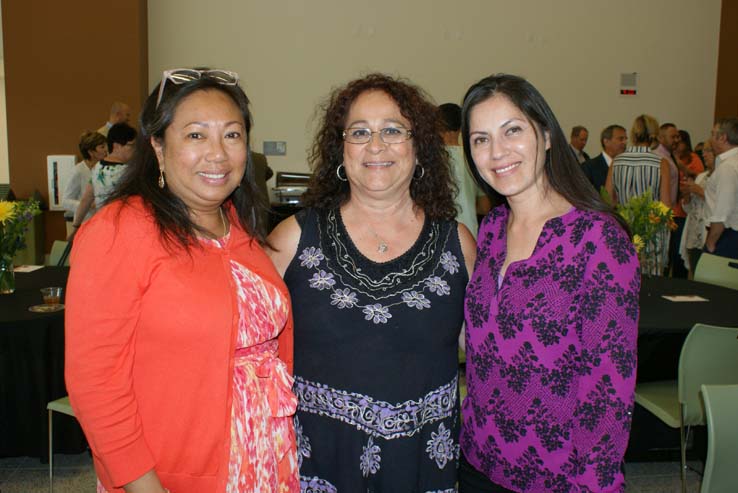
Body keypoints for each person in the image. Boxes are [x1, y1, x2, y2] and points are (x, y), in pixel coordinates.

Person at [66, 68, 298, 493]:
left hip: (266, 456)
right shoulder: (120, 229)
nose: (218, 154)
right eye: (195, 135)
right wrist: (142, 483)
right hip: (174, 473)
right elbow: (94, 380)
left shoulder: (239, 229)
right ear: (157, 144)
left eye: (232, 135)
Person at [267, 73, 476, 492]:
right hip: (318, 467)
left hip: (420, 469)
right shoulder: (292, 239)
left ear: (419, 149)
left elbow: (489, 360)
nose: (376, 145)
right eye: (360, 132)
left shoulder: (458, 245)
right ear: (340, 150)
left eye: (393, 131)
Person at [459, 74, 639, 493]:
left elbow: (608, 393)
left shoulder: (598, 239)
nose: (497, 152)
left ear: (546, 134)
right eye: (480, 139)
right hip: (478, 460)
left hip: (557, 478)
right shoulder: (492, 229)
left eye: (512, 131)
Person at [605, 114, 671, 274]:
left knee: (624, 277)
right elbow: (666, 205)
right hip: (652, 233)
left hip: (624, 230)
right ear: (654, 135)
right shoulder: (661, 163)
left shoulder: (617, 161)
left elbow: (608, 200)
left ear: (633, 134)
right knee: (651, 281)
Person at [72, 123, 137, 230]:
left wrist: (76, 226)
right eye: (131, 145)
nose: (135, 150)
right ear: (117, 146)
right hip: (122, 228)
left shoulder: (98, 167)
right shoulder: (127, 172)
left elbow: (86, 199)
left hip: (103, 227)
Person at [440, 102, 482, 237]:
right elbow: (484, 206)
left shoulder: (429, 159)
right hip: (470, 234)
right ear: (461, 127)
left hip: (439, 236)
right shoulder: (475, 158)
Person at [670, 130, 704, 277]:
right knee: (670, 254)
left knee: (680, 257)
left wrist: (681, 167)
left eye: (680, 141)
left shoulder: (694, 159)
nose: (677, 144)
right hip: (670, 213)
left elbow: (699, 180)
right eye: (674, 140)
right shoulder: (667, 158)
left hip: (684, 215)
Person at [704, 117, 738, 259]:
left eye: (713, 134)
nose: (710, 138)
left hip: (726, 236)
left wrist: (711, 243)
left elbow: (722, 211)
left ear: (723, 138)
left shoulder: (728, 167)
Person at [680, 139, 715, 273]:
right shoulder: (701, 176)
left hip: (709, 235)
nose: (704, 155)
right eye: (703, 151)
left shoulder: (723, 176)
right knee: (694, 273)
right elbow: (689, 209)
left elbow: (721, 205)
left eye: (708, 151)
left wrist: (699, 191)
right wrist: (687, 196)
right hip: (693, 234)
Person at [62, 131, 107, 235]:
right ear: (91, 152)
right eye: (102, 147)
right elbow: (65, 201)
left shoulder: (104, 168)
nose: (106, 150)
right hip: (85, 224)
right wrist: (87, 204)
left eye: (105, 146)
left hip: (103, 223)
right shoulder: (78, 171)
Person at [581, 124, 627, 192]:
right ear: (606, 142)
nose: (625, 142)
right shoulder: (589, 167)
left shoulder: (627, 166)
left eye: (626, 139)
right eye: (621, 139)